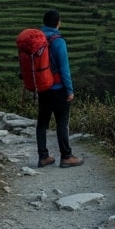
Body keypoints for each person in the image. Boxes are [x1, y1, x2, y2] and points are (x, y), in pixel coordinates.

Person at [36, 9, 83, 167]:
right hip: (58, 89)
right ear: (58, 23)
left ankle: (43, 157)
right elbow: (64, 68)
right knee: (62, 123)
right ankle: (66, 156)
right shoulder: (58, 41)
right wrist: (69, 90)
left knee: (42, 123)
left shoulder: (37, 39)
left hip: (42, 88)